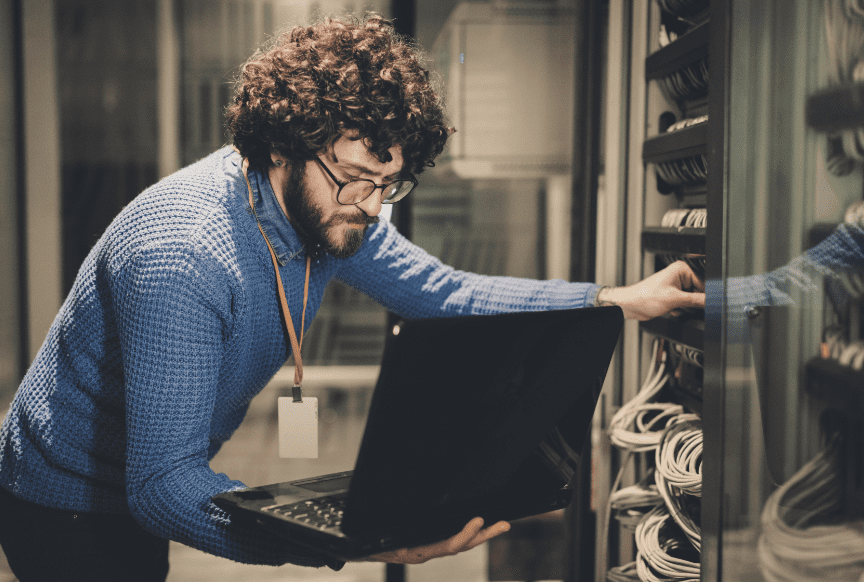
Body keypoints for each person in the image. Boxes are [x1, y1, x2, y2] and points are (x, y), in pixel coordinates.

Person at [0, 14, 705, 581]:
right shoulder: (185, 256)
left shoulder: (334, 209)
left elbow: (445, 292)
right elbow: (161, 486)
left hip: (143, 486)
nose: (370, 205)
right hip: (63, 502)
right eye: (354, 177)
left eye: (388, 182)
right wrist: (355, 544)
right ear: (283, 143)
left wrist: (615, 299)